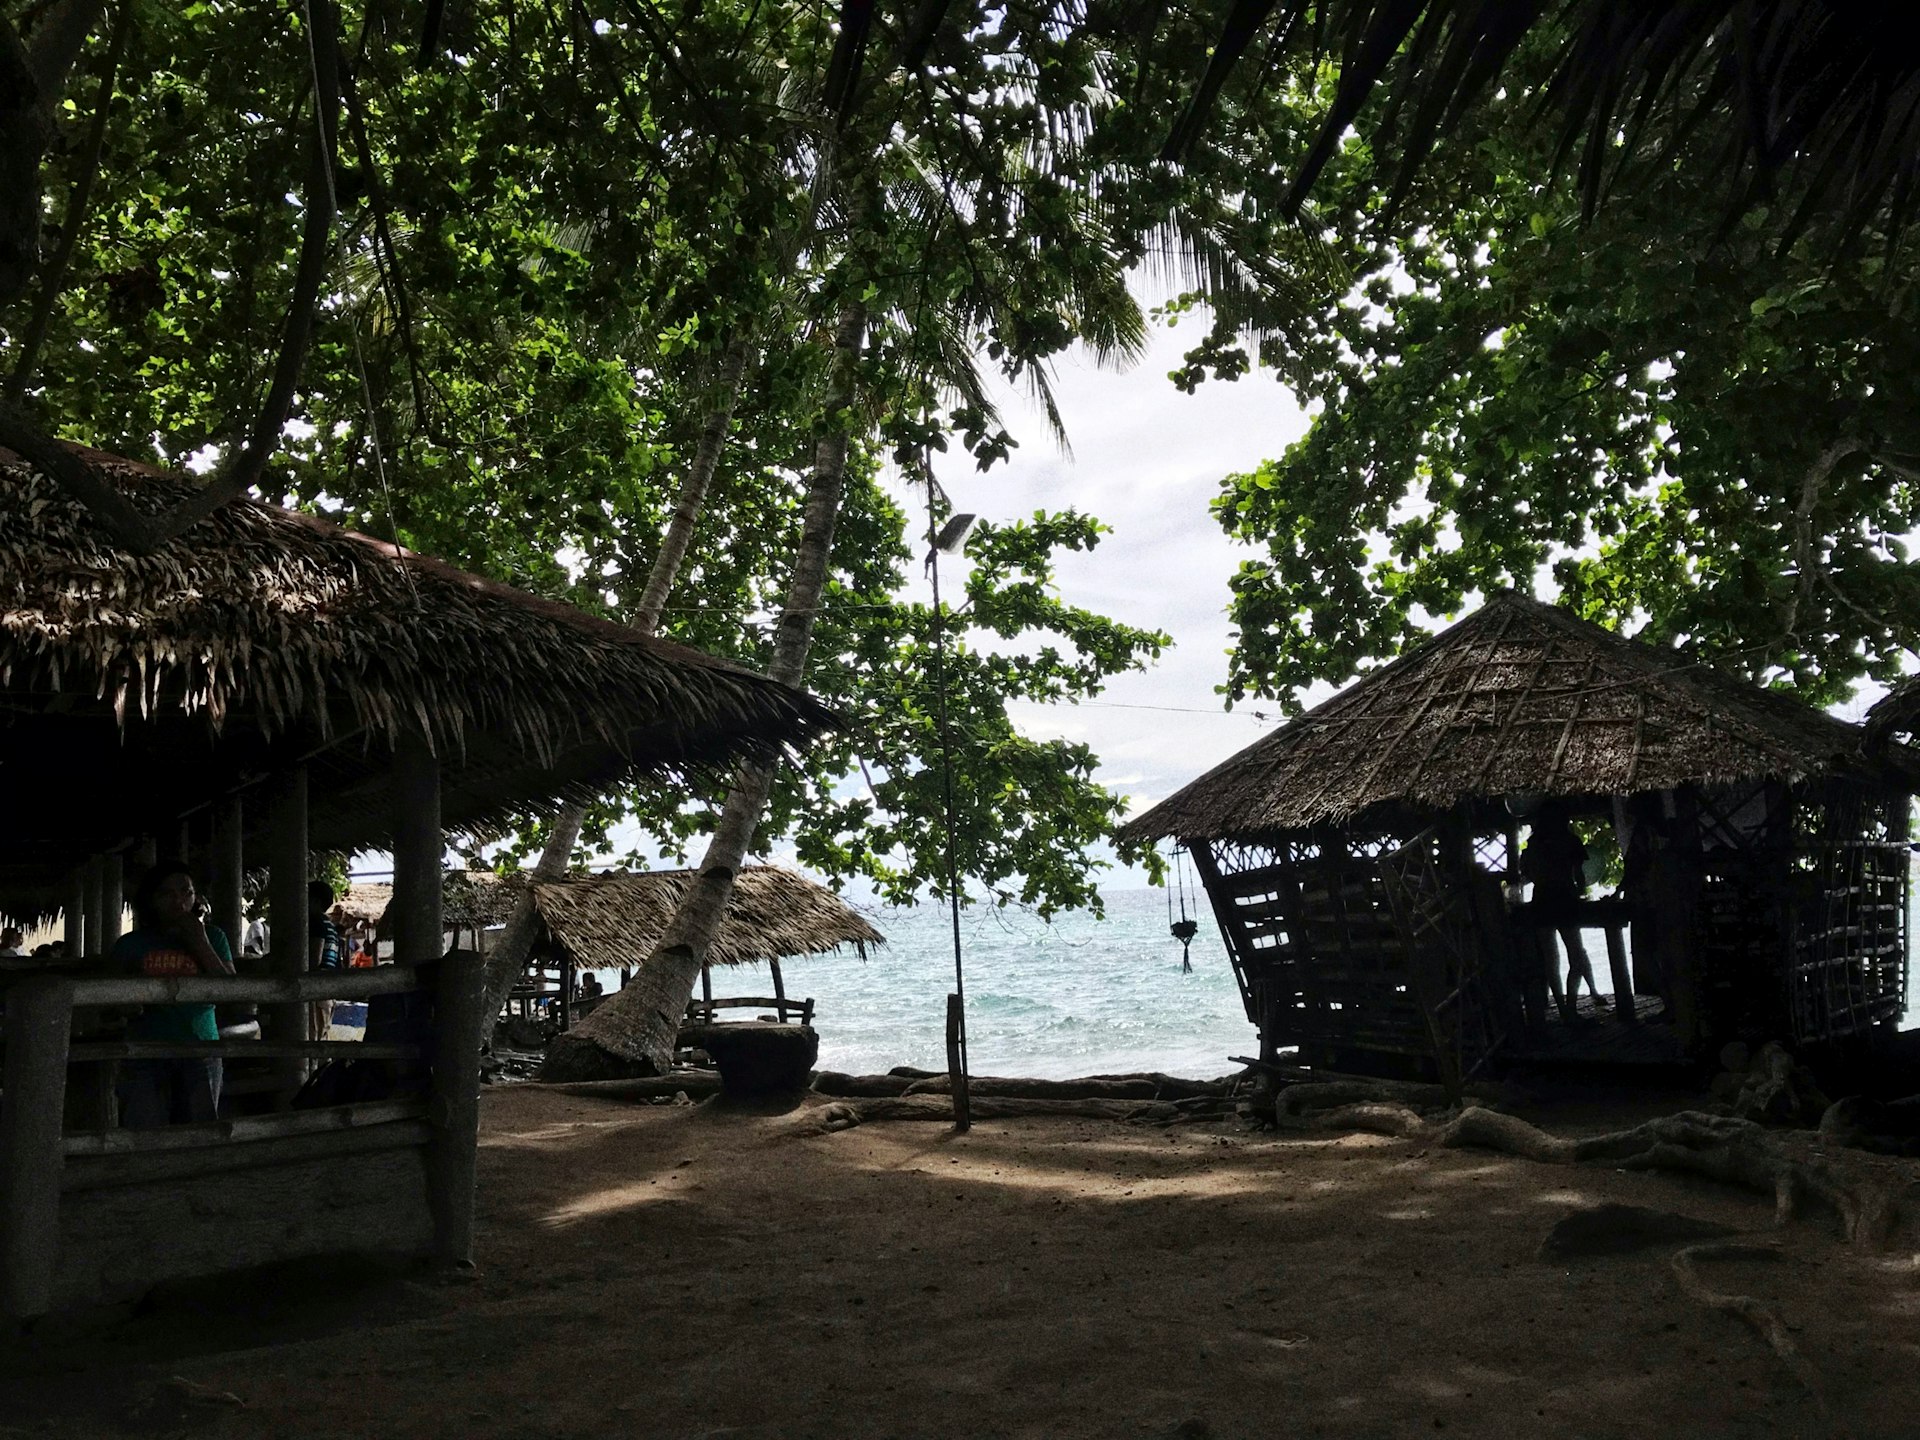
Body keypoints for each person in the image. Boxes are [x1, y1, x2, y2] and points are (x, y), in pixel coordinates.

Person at [114, 863, 236, 1127]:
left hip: (201, 1047)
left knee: (199, 1130)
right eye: (166, 894)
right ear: (151, 901)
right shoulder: (131, 944)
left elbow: (230, 989)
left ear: (196, 897)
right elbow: (111, 1000)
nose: (178, 901)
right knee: (144, 1129)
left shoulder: (214, 937)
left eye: (186, 892)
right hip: (145, 1050)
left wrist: (198, 940)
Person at [1523, 807, 1603, 1018]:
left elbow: (1528, 873)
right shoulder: (1570, 841)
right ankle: (1571, 1005)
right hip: (1565, 899)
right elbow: (1580, 878)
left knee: (1551, 960)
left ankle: (1561, 1007)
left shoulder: (1534, 844)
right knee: (1576, 955)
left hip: (1541, 900)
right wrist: (1578, 891)